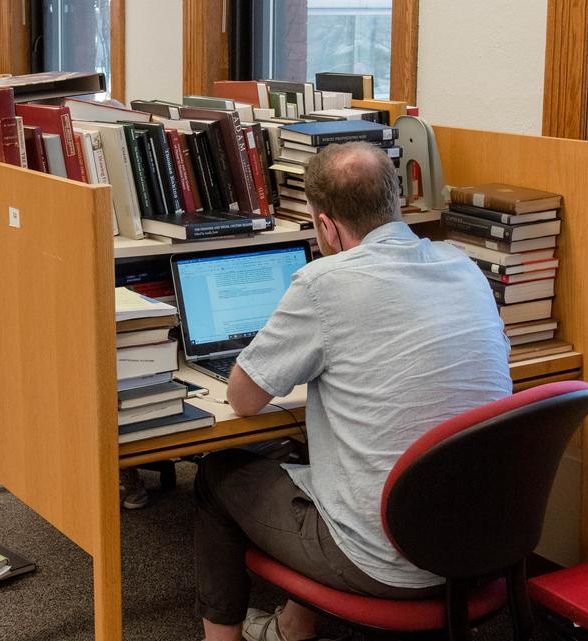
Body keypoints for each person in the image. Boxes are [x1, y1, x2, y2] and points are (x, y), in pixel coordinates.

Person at [194, 142, 512, 641]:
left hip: (387, 565)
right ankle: (292, 628)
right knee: (321, 456)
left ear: (325, 227)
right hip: (485, 547)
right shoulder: (463, 265)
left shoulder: (323, 282)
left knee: (218, 472)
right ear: (398, 202)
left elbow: (243, 399)